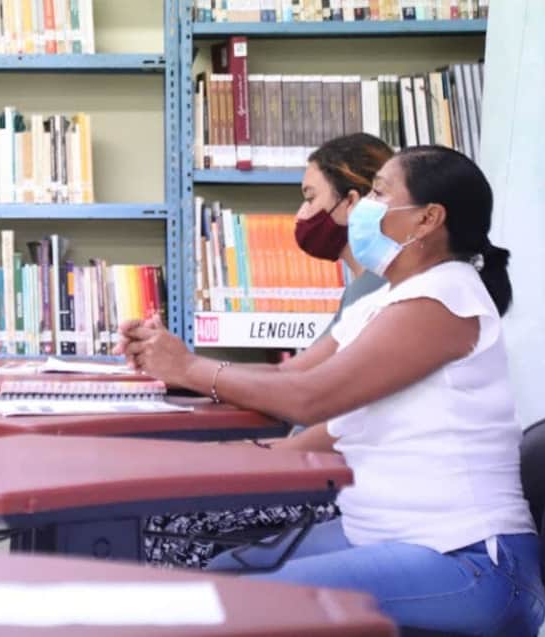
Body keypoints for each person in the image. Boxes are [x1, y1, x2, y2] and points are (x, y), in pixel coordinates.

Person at [122, 146, 545, 634]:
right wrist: (176, 364)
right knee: (221, 573)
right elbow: (289, 378)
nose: (362, 207)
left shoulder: (445, 295)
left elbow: (311, 399)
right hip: (388, 537)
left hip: (468, 559)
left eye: (379, 193)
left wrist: (191, 368)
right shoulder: (385, 301)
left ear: (428, 218)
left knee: (229, 603)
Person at [146, 132, 394, 568]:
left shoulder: (381, 291)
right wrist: (186, 368)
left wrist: (253, 455)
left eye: (310, 197)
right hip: (310, 470)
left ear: (351, 202)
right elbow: (294, 376)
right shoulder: (360, 289)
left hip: (330, 485)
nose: (301, 214)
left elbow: (337, 412)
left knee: (162, 520)